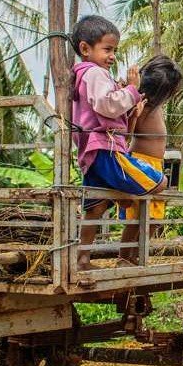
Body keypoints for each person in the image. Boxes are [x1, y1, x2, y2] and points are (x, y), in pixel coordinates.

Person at [70, 14, 166, 268]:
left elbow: (103, 107)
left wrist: (124, 96)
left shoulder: (84, 75)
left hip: (93, 152)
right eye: (107, 49)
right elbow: (107, 105)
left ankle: (82, 259)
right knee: (160, 182)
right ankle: (126, 251)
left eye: (114, 50)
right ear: (85, 49)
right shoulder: (95, 73)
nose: (112, 56)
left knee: (95, 208)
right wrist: (131, 90)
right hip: (106, 150)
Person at [119, 55, 183, 263]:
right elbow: (126, 134)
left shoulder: (157, 107)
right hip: (140, 163)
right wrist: (134, 113)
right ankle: (124, 257)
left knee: (154, 217)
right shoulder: (139, 104)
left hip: (155, 165)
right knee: (136, 217)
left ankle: (137, 255)